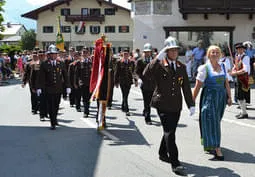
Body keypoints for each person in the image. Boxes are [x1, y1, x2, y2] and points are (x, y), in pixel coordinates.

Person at [143, 36, 195, 176]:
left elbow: (185, 87)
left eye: (176, 50)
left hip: (176, 105)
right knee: (170, 133)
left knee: (170, 131)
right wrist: (156, 59)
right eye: (171, 50)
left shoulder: (181, 67)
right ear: (166, 51)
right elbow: (146, 74)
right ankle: (175, 163)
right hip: (162, 104)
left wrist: (191, 104)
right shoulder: (159, 65)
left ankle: (162, 152)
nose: (174, 53)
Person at [192, 45, 232, 161]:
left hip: (221, 98)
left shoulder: (223, 66)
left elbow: (227, 83)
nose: (215, 54)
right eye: (212, 52)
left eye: (217, 52)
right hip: (209, 97)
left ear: (220, 55)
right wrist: (192, 101)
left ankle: (210, 143)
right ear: (208, 55)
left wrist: (229, 97)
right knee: (211, 120)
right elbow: (198, 86)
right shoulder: (204, 68)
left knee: (216, 120)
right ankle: (217, 148)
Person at [36, 45, 70, 130]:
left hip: (58, 89)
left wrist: (68, 86)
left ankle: (54, 118)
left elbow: (65, 76)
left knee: (56, 105)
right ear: (48, 55)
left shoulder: (60, 63)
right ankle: (53, 122)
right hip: (48, 89)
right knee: (51, 106)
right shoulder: (44, 64)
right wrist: (39, 87)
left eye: (55, 54)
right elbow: (41, 77)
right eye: (51, 54)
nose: (53, 55)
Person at [135, 43, 156, 125]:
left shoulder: (155, 60)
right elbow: (136, 72)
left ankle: (145, 110)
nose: (148, 53)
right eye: (146, 52)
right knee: (146, 100)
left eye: (149, 52)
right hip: (144, 83)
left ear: (151, 52)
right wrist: (138, 79)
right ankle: (148, 118)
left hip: (153, 84)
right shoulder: (140, 61)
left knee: (150, 100)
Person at [114, 48, 137, 116]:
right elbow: (116, 72)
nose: (126, 55)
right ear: (122, 54)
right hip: (122, 81)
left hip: (129, 81)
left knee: (126, 95)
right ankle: (127, 109)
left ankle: (123, 106)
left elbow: (134, 72)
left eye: (127, 54)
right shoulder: (119, 62)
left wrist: (135, 80)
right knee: (125, 95)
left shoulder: (131, 62)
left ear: (129, 54)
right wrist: (116, 82)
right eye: (124, 54)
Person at [230, 42, 250, 119]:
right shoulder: (237, 56)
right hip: (238, 78)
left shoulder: (245, 57)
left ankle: (244, 113)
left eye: (241, 49)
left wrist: (235, 73)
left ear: (243, 49)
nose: (239, 50)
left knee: (241, 96)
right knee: (238, 96)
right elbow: (236, 66)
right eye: (238, 49)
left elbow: (245, 69)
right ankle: (242, 111)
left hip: (243, 79)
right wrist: (233, 70)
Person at [74, 47, 92, 118]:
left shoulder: (91, 62)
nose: (85, 54)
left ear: (88, 53)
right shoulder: (79, 62)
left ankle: (87, 108)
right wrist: (75, 83)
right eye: (83, 52)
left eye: (86, 52)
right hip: (83, 83)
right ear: (81, 54)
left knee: (89, 97)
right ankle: (86, 112)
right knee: (84, 97)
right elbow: (76, 74)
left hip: (90, 83)